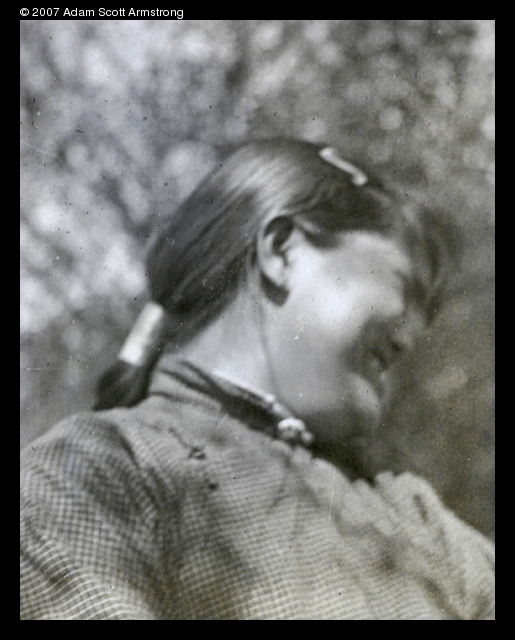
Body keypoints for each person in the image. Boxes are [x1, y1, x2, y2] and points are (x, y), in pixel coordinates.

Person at [20, 139, 494, 620]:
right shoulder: (97, 476)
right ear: (283, 251)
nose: (413, 334)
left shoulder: (419, 521)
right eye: (405, 285)